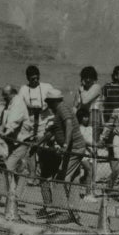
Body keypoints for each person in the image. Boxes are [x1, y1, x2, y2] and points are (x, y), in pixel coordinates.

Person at [38, 87, 86, 219]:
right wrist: (36, 144)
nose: (47, 105)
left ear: (53, 101)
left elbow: (69, 124)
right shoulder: (59, 111)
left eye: (48, 102)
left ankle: (60, 211)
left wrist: (65, 144)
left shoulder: (62, 108)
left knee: (61, 178)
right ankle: (73, 212)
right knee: (74, 179)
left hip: (74, 148)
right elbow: (52, 131)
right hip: (74, 148)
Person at [18, 65, 56, 145]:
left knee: (42, 143)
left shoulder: (47, 87)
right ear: (28, 78)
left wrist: (44, 107)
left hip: (44, 121)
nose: (35, 80)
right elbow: (19, 106)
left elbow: (55, 101)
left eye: (37, 78)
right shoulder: (23, 89)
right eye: (33, 79)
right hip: (30, 122)